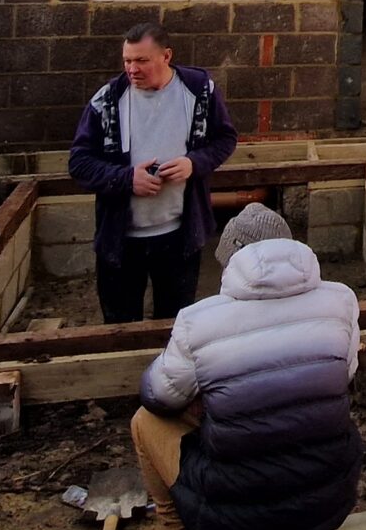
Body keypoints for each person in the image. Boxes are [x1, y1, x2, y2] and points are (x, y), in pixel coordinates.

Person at [130, 204, 362, 530]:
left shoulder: (198, 321)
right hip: (328, 507)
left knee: (144, 422)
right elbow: (342, 376)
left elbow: (158, 397)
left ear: (232, 260)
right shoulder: (340, 301)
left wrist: (209, 391)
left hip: (231, 528)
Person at [69, 22, 240, 323]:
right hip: (121, 240)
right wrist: (126, 179)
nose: (132, 69)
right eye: (127, 60)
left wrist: (194, 163)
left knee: (175, 325)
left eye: (141, 60)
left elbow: (225, 139)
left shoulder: (199, 91)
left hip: (180, 236)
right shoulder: (107, 100)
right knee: (120, 325)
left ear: (166, 56)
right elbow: (79, 162)